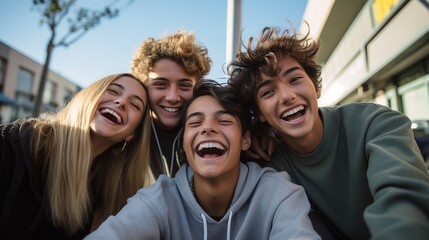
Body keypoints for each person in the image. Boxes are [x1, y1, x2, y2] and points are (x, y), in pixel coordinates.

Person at [227, 26, 429, 239]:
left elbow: (405, 202)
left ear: (316, 87)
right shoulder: (267, 164)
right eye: (268, 92)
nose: (287, 96)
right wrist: (251, 134)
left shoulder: (375, 123)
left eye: (295, 79)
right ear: (259, 113)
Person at [85, 79, 320, 240]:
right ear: (185, 144)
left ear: (246, 140)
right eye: (195, 123)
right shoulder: (160, 199)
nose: (207, 128)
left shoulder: (280, 194)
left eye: (224, 121)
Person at [0, 73, 154, 239]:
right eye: (114, 91)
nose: (121, 102)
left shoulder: (99, 196)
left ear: (132, 135)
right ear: (88, 97)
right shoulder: (11, 144)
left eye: (135, 105)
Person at [130, 30, 212, 178]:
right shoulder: (124, 134)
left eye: (184, 86)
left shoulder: (211, 134)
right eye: (160, 85)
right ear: (143, 86)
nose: (172, 97)